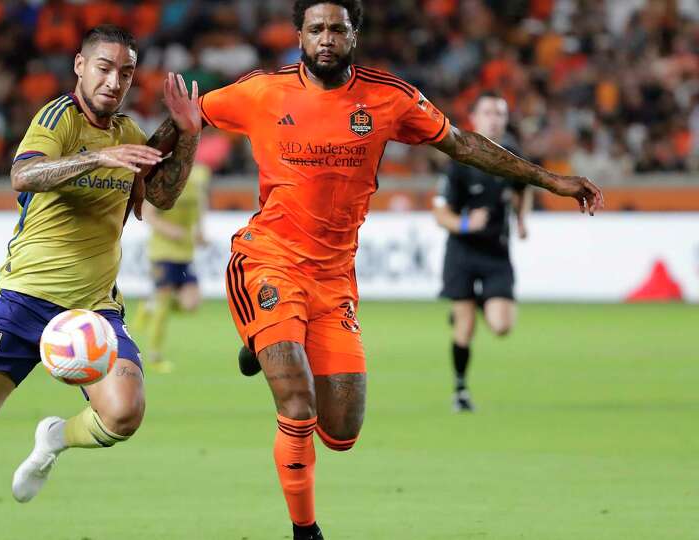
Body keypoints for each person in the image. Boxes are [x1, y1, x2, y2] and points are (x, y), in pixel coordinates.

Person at [198, 2, 603, 538]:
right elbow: (188, 117)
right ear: (299, 33)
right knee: (296, 403)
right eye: (315, 29)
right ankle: (305, 530)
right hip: (268, 258)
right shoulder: (259, 91)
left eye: (337, 29)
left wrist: (547, 179)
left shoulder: (387, 98)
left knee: (341, 432)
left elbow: (460, 143)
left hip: (334, 277)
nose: (325, 39)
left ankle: (264, 342)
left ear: (354, 34)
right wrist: (148, 168)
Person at [0, 25, 201, 540]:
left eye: (125, 72)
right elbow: (23, 175)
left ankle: (54, 439)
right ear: (79, 65)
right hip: (24, 299)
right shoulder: (56, 119)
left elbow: (161, 196)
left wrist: (188, 131)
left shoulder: (130, 134)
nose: (115, 81)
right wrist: (98, 158)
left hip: (94, 309)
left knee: (124, 415)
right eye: (104, 67)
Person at [432, 92, 532, 412]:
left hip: (496, 253)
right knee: (465, 328)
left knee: (502, 326)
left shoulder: (513, 155)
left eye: (501, 113)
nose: (495, 119)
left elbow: (523, 188)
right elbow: (439, 213)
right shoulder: (460, 158)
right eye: (488, 112)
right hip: (462, 252)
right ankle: (460, 390)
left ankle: (474, 303)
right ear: (474, 117)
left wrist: (521, 220)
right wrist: (464, 224)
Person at [134, 161, 210, 373]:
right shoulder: (163, 180)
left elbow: (201, 203)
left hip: (185, 252)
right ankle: (155, 356)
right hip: (162, 251)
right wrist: (169, 231)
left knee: (191, 304)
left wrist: (200, 230)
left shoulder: (198, 176)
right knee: (165, 301)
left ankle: (149, 307)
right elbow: (148, 214)